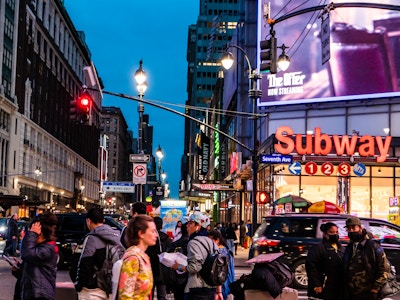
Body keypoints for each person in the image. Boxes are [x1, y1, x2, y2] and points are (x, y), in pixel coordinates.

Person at [74, 208, 124, 300]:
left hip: (92, 290)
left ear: (88, 221)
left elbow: (85, 264)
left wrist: (79, 285)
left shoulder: (91, 238)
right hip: (109, 287)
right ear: (103, 221)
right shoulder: (116, 236)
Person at [172, 211, 222, 300]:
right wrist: (219, 292)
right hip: (211, 288)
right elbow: (218, 267)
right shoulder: (212, 242)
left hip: (196, 289)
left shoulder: (193, 243)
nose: (187, 226)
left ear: (197, 226)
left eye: (190, 223)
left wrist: (179, 267)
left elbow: (195, 267)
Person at [343, 216, 389, 300]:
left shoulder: (372, 246)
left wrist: (375, 289)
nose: (351, 231)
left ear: (360, 228)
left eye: (353, 228)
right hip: (352, 293)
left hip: (368, 292)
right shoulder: (349, 247)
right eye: (348, 229)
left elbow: (384, 269)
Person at [20, 212, 59, 300]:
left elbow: (27, 254)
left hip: (41, 295)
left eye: (31, 233)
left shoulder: (48, 248)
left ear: (39, 234)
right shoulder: (39, 248)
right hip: (35, 293)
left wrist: (31, 234)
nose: (28, 234)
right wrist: (18, 268)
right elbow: (32, 271)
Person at [118, 214, 158, 299]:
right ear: (141, 233)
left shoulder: (141, 256)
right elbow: (125, 295)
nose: (156, 235)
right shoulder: (133, 258)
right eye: (152, 231)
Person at [306, 222, 345, 300]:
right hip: (324, 286)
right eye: (331, 232)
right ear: (325, 233)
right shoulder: (318, 248)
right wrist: (316, 284)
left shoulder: (342, 249)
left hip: (338, 287)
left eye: (336, 232)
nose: (334, 234)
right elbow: (311, 267)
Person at [147, 216, 172, 300]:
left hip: (150, 269)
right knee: (162, 295)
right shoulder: (167, 239)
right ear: (161, 226)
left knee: (149, 295)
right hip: (162, 270)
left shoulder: (149, 239)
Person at [209, 229, 235, 300]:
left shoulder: (218, 253)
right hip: (226, 282)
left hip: (220, 283)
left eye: (211, 240)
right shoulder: (228, 251)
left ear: (217, 240)